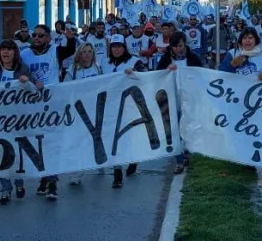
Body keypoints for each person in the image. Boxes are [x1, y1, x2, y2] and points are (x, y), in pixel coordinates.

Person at [21, 24, 77, 200]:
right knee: (39, 145)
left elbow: (70, 49)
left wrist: (69, 37)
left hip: (53, 105)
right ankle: (44, 178)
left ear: (48, 38)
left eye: (41, 35)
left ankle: (52, 183)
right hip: (32, 107)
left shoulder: (55, 52)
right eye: (35, 35)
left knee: (52, 145)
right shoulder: (24, 55)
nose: (36, 38)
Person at [0, 40, 34, 205]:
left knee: (15, 154)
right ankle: (5, 190)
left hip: (18, 120)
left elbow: (32, 93)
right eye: (3, 49)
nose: (6, 53)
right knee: (0, 156)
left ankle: (19, 183)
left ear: (15, 53)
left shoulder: (23, 69)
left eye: (9, 50)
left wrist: (27, 82)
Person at [104, 34, 147, 187]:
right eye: (113, 46)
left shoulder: (134, 61)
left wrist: (134, 74)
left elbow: (145, 77)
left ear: (124, 47)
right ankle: (117, 174)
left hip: (130, 105)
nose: (116, 49)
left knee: (129, 138)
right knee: (115, 140)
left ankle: (134, 159)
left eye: (119, 46)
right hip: (111, 106)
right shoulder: (104, 62)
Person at [156, 32, 203, 174]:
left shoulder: (193, 58)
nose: (178, 49)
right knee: (174, 129)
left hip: (189, 99)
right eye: (175, 47)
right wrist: (166, 70)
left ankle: (186, 151)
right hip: (172, 100)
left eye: (180, 46)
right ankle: (179, 160)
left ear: (185, 44)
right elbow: (157, 75)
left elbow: (201, 75)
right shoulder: (165, 59)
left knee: (188, 128)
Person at [64, 42, 103, 185]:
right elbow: (65, 90)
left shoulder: (98, 68)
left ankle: (99, 162)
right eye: (83, 52)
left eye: (89, 51)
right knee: (78, 142)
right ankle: (76, 173)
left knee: (96, 139)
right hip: (78, 112)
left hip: (95, 109)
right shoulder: (72, 70)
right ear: (79, 54)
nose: (86, 55)